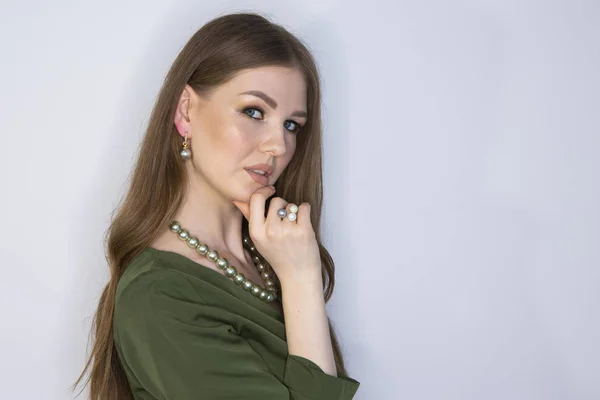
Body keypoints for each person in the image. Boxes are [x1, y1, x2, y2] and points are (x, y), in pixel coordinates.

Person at [73, 11, 360, 400]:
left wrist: (297, 274)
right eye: (254, 111)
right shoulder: (160, 296)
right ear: (186, 111)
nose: (278, 145)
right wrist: (302, 279)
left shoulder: (272, 256)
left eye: (292, 125)